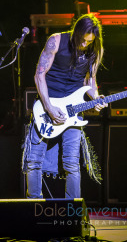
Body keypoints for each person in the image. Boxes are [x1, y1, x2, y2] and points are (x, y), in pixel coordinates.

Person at [22, 13, 107, 199]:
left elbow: (91, 82)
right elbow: (39, 75)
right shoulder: (56, 41)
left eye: (89, 42)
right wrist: (49, 108)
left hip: (74, 111)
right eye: (83, 40)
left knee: (72, 163)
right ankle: (33, 206)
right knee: (34, 161)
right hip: (46, 106)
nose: (85, 45)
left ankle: (72, 210)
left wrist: (96, 97)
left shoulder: (94, 50)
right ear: (76, 32)